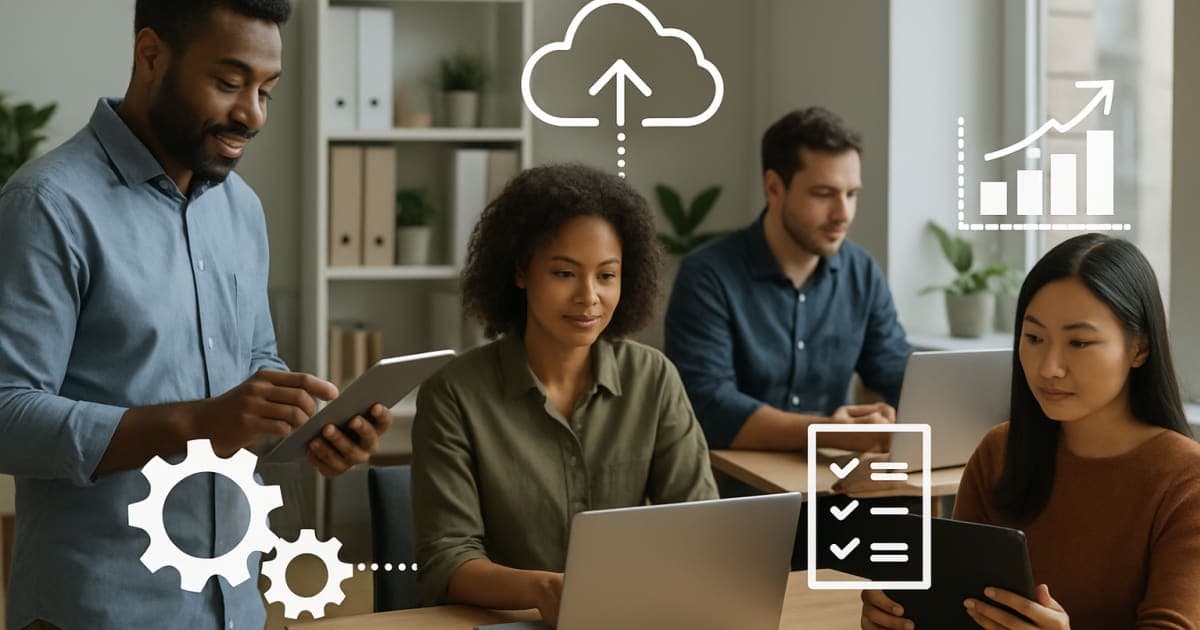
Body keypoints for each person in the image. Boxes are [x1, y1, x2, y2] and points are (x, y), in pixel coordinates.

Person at [0, 2, 392, 628]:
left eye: (266, 89)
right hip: (99, 610)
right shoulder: (46, 206)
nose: (253, 114)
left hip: (234, 605)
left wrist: (305, 422)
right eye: (230, 83)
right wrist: (197, 422)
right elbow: (7, 412)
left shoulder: (240, 209)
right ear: (151, 55)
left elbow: (254, 360)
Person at [412, 163, 718, 626]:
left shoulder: (653, 379)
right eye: (564, 273)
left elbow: (701, 527)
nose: (589, 297)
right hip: (506, 623)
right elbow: (447, 559)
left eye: (607, 276)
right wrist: (543, 590)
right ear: (520, 270)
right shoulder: (453, 396)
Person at [861, 233, 1200, 629]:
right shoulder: (999, 452)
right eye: (1034, 338)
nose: (1048, 367)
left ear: (1139, 348)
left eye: (1079, 342)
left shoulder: (1184, 480)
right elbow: (956, 610)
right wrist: (902, 618)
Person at [664, 107, 911, 455]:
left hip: (831, 485)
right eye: (824, 194)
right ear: (774, 188)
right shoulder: (708, 275)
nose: (842, 214)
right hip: (740, 492)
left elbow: (898, 372)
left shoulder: (861, 272)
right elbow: (709, 407)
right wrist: (833, 433)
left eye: (851, 194)